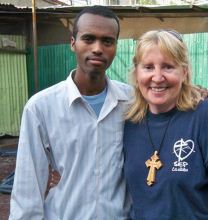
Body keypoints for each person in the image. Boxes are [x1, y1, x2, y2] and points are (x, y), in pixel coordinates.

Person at [9, 6, 132, 219]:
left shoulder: (132, 101)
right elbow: (27, 189)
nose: (97, 48)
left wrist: (195, 94)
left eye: (107, 41)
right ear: (73, 43)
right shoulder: (41, 107)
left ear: (115, 47)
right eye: (88, 38)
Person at [123, 29, 208, 220]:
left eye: (168, 67)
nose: (158, 77)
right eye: (148, 67)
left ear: (184, 72)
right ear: (137, 72)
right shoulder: (129, 122)